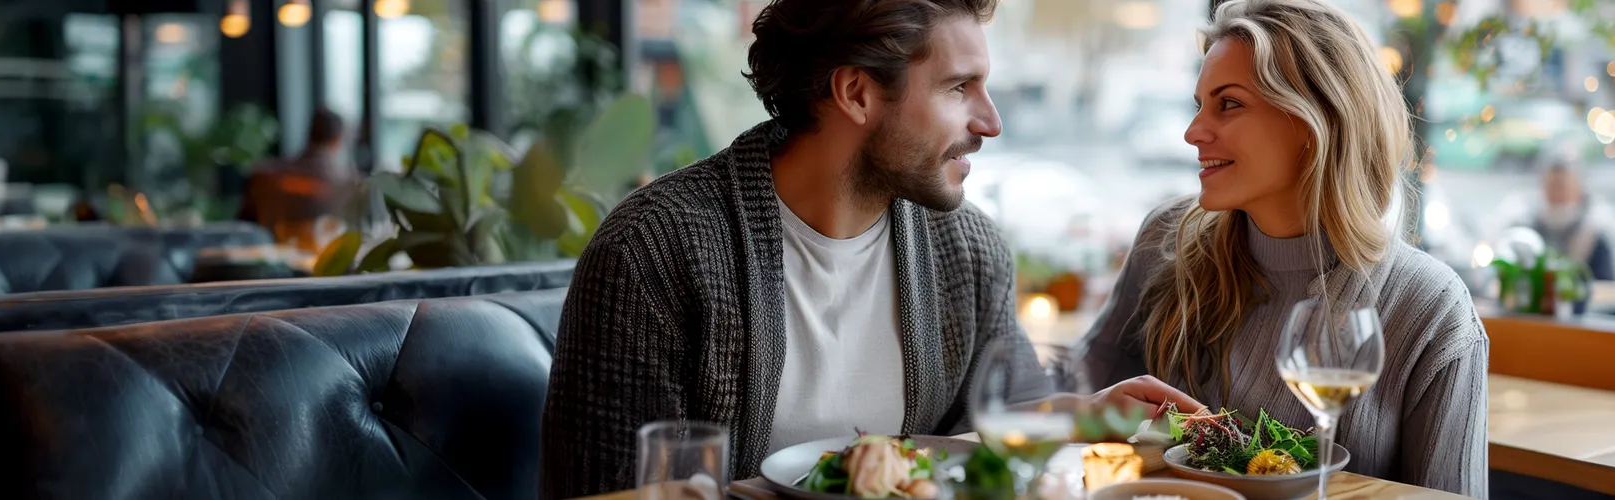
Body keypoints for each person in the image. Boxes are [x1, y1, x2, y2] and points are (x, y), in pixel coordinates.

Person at [539, 0, 1200, 496]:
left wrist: (1082, 414)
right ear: (856, 93)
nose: (991, 121)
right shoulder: (655, 251)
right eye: (958, 88)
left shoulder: (966, 252)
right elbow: (606, 489)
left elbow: (1006, 432)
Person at [1076, 0, 1490, 496]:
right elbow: (1058, 412)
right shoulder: (1167, 240)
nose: (1192, 132)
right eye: (1199, 104)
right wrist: (1088, 417)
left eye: (1228, 104)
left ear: (1315, 122)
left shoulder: (1430, 308)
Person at [240, 108, 358, 255]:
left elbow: (243, 231)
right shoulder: (351, 186)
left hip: (274, 269)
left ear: (309, 134)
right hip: (331, 270)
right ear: (337, 140)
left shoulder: (265, 177)